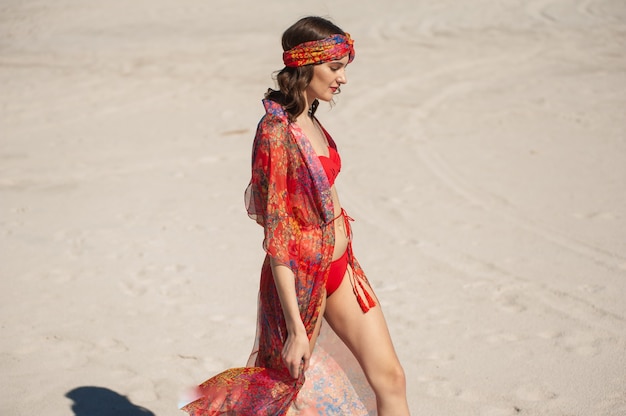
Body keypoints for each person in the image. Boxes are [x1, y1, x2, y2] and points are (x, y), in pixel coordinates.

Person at [181, 16, 409, 415]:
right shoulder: (276, 131)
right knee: (279, 392)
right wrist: (297, 330)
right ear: (306, 65)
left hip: (341, 269)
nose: (342, 79)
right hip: (301, 281)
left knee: (391, 378)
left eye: (344, 68)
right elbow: (279, 237)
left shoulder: (311, 118)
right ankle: (200, 404)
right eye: (335, 68)